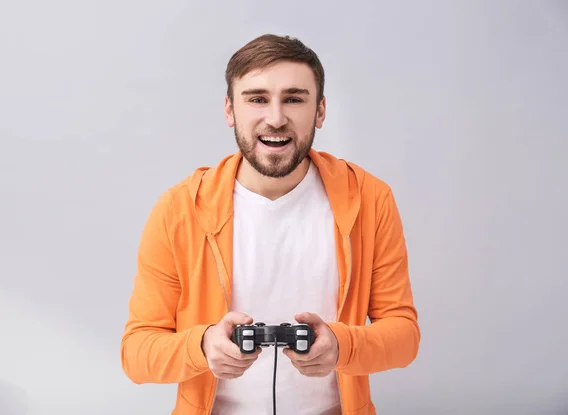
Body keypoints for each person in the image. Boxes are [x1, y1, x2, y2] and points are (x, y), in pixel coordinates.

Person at [120, 34, 420, 415]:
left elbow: (404, 335)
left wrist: (344, 347)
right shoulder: (179, 209)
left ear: (321, 111)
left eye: (294, 99)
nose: (276, 118)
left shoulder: (370, 200)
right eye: (257, 98)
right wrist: (202, 346)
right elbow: (136, 352)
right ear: (230, 110)